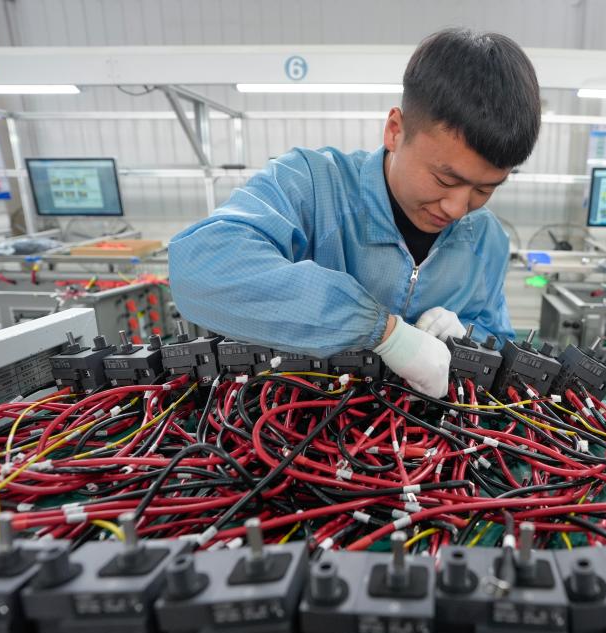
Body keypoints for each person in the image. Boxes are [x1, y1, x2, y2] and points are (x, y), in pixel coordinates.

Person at [169, 29, 541, 398]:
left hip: (424, 428)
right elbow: (202, 265)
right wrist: (383, 332)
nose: (458, 208)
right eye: (445, 179)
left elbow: (496, 339)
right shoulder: (311, 185)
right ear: (395, 131)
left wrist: (469, 339)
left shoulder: (487, 238)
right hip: (295, 413)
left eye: (484, 189)